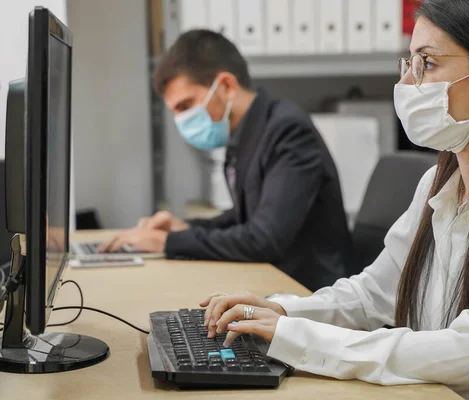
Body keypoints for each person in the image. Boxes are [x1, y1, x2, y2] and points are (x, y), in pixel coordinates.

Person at [197, 1, 469, 398]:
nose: (407, 85)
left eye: (427, 63)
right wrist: (282, 312)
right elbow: (374, 295)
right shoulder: (437, 183)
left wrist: (299, 339)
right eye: (408, 63)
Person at [99, 30, 352, 291]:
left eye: (186, 106)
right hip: (273, 281)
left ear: (227, 86)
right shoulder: (247, 131)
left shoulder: (288, 131)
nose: (181, 121)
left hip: (309, 293)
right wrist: (183, 228)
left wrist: (167, 243)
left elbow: (264, 238)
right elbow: (247, 215)